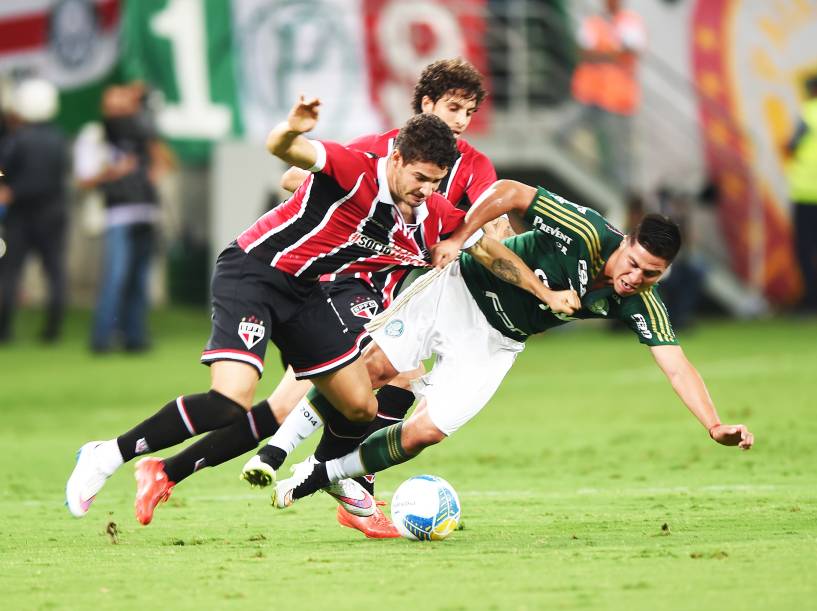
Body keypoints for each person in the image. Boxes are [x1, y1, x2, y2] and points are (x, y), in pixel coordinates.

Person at [65, 97, 554, 526]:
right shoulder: (352, 166)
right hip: (255, 272)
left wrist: (542, 292)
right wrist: (293, 127)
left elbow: (488, 248)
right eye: (420, 178)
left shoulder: (430, 212)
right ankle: (109, 455)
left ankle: (331, 475)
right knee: (229, 401)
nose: (426, 190)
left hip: (307, 295)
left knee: (360, 405)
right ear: (397, 158)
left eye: (436, 182)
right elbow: (286, 151)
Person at [268, 180, 754, 510]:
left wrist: (713, 425)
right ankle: (276, 450)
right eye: (634, 263)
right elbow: (509, 192)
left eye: (651, 274)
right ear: (625, 241)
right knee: (370, 370)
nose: (635, 278)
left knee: (427, 433)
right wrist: (460, 235)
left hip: (498, 341)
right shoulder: (584, 229)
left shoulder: (641, 302)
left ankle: (326, 472)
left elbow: (677, 366)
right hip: (458, 286)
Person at [240, 57, 509, 537]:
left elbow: (495, 221)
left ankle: (341, 477)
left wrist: (488, 236)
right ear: (426, 104)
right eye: (453, 107)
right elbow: (290, 177)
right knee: (302, 399)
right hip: (342, 285)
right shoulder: (386, 151)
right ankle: (225, 463)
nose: (462, 120)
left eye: (469, 111)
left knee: (400, 379)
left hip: (399, 296)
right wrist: (360, 214)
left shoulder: (473, 165)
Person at [74, 81, 171, 352]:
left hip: (146, 211)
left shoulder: (142, 132)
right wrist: (114, 171)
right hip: (117, 212)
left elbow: (165, 161)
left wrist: (152, 165)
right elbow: (84, 179)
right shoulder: (96, 135)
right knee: (115, 277)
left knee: (140, 280)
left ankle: (135, 338)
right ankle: (102, 338)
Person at [0, 78, 70, 343]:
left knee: (10, 273)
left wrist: (10, 188)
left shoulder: (18, 139)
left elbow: (3, 171)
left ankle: (4, 330)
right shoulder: (59, 139)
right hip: (53, 212)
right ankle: (53, 330)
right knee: (55, 272)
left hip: (20, 215)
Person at [559, 0, 646, 191]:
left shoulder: (630, 22)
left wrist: (601, 53)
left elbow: (630, 52)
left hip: (619, 99)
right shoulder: (594, 22)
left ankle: (622, 194)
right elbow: (584, 51)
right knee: (563, 133)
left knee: (619, 154)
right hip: (591, 94)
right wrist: (613, 54)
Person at [784, 74, 817, 313]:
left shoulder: (808, 113)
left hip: (806, 192)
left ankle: (811, 299)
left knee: (805, 249)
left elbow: (793, 145)